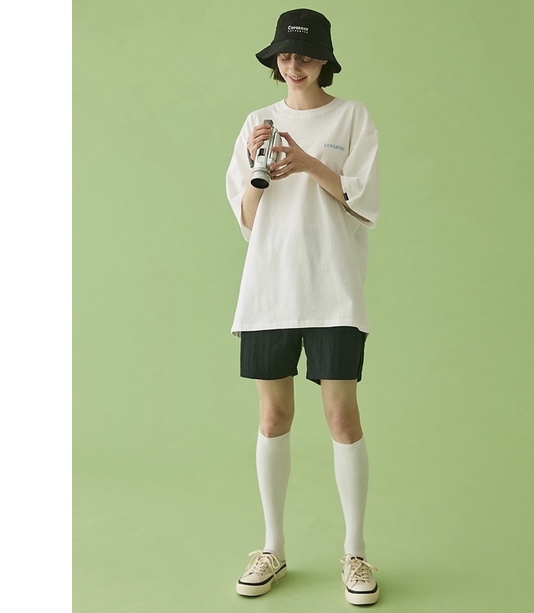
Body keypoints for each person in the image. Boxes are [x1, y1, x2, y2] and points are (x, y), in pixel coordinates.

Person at [225, 8, 380, 606]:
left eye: (307, 56)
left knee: (342, 419)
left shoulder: (352, 117)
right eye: (286, 56)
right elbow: (247, 220)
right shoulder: (256, 122)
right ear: (275, 61)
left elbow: (364, 202)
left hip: (333, 288)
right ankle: (273, 546)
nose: (295, 66)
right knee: (273, 419)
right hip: (270, 289)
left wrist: (311, 162)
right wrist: (259, 168)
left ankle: (356, 552)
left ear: (324, 61)